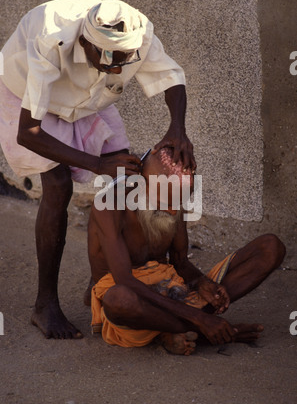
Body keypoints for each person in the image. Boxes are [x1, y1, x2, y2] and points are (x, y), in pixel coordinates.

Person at [0, 0, 195, 339]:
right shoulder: (51, 39)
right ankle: (44, 304)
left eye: (126, 60)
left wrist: (177, 128)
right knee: (58, 184)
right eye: (107, 57)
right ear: (85, 42)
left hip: (88, 96)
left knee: (124, 173)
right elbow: (28, 133)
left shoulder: (138, 33)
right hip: (26, 91)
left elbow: (170, 77)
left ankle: (102, 280)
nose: (118, 69)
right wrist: (94, 163)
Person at [88, 147, 286, 355]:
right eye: (165, 203)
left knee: (271, 247)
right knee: (119, 299)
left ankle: (178, 330)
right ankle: (203, 331)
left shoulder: (173, 201)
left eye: (179, 203)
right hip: (135, 306)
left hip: (175, 294)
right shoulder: (108, 205)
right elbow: (124, 280)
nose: (174, 211)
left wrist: (202, 283)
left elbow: (180, 262)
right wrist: (199, 318)